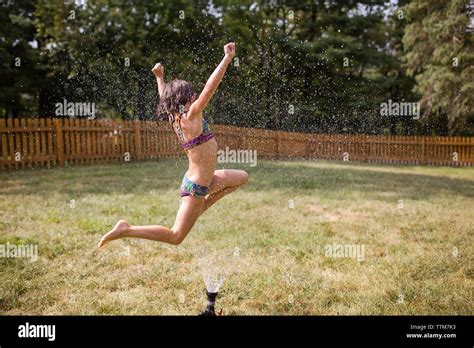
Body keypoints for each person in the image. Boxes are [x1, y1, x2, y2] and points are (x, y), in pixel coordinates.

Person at [98, 43, 249, 247]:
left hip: (206, 180)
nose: (196, 97)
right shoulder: (192, 115)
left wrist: (160, 78)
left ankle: (202, 206)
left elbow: (164, 97)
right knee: (176, 236)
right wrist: (227, 59)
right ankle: (127, 229)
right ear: (189, 98)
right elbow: (209, 88)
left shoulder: (175, 118)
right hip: (196, 187)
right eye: (192, 95)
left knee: (242, 178)